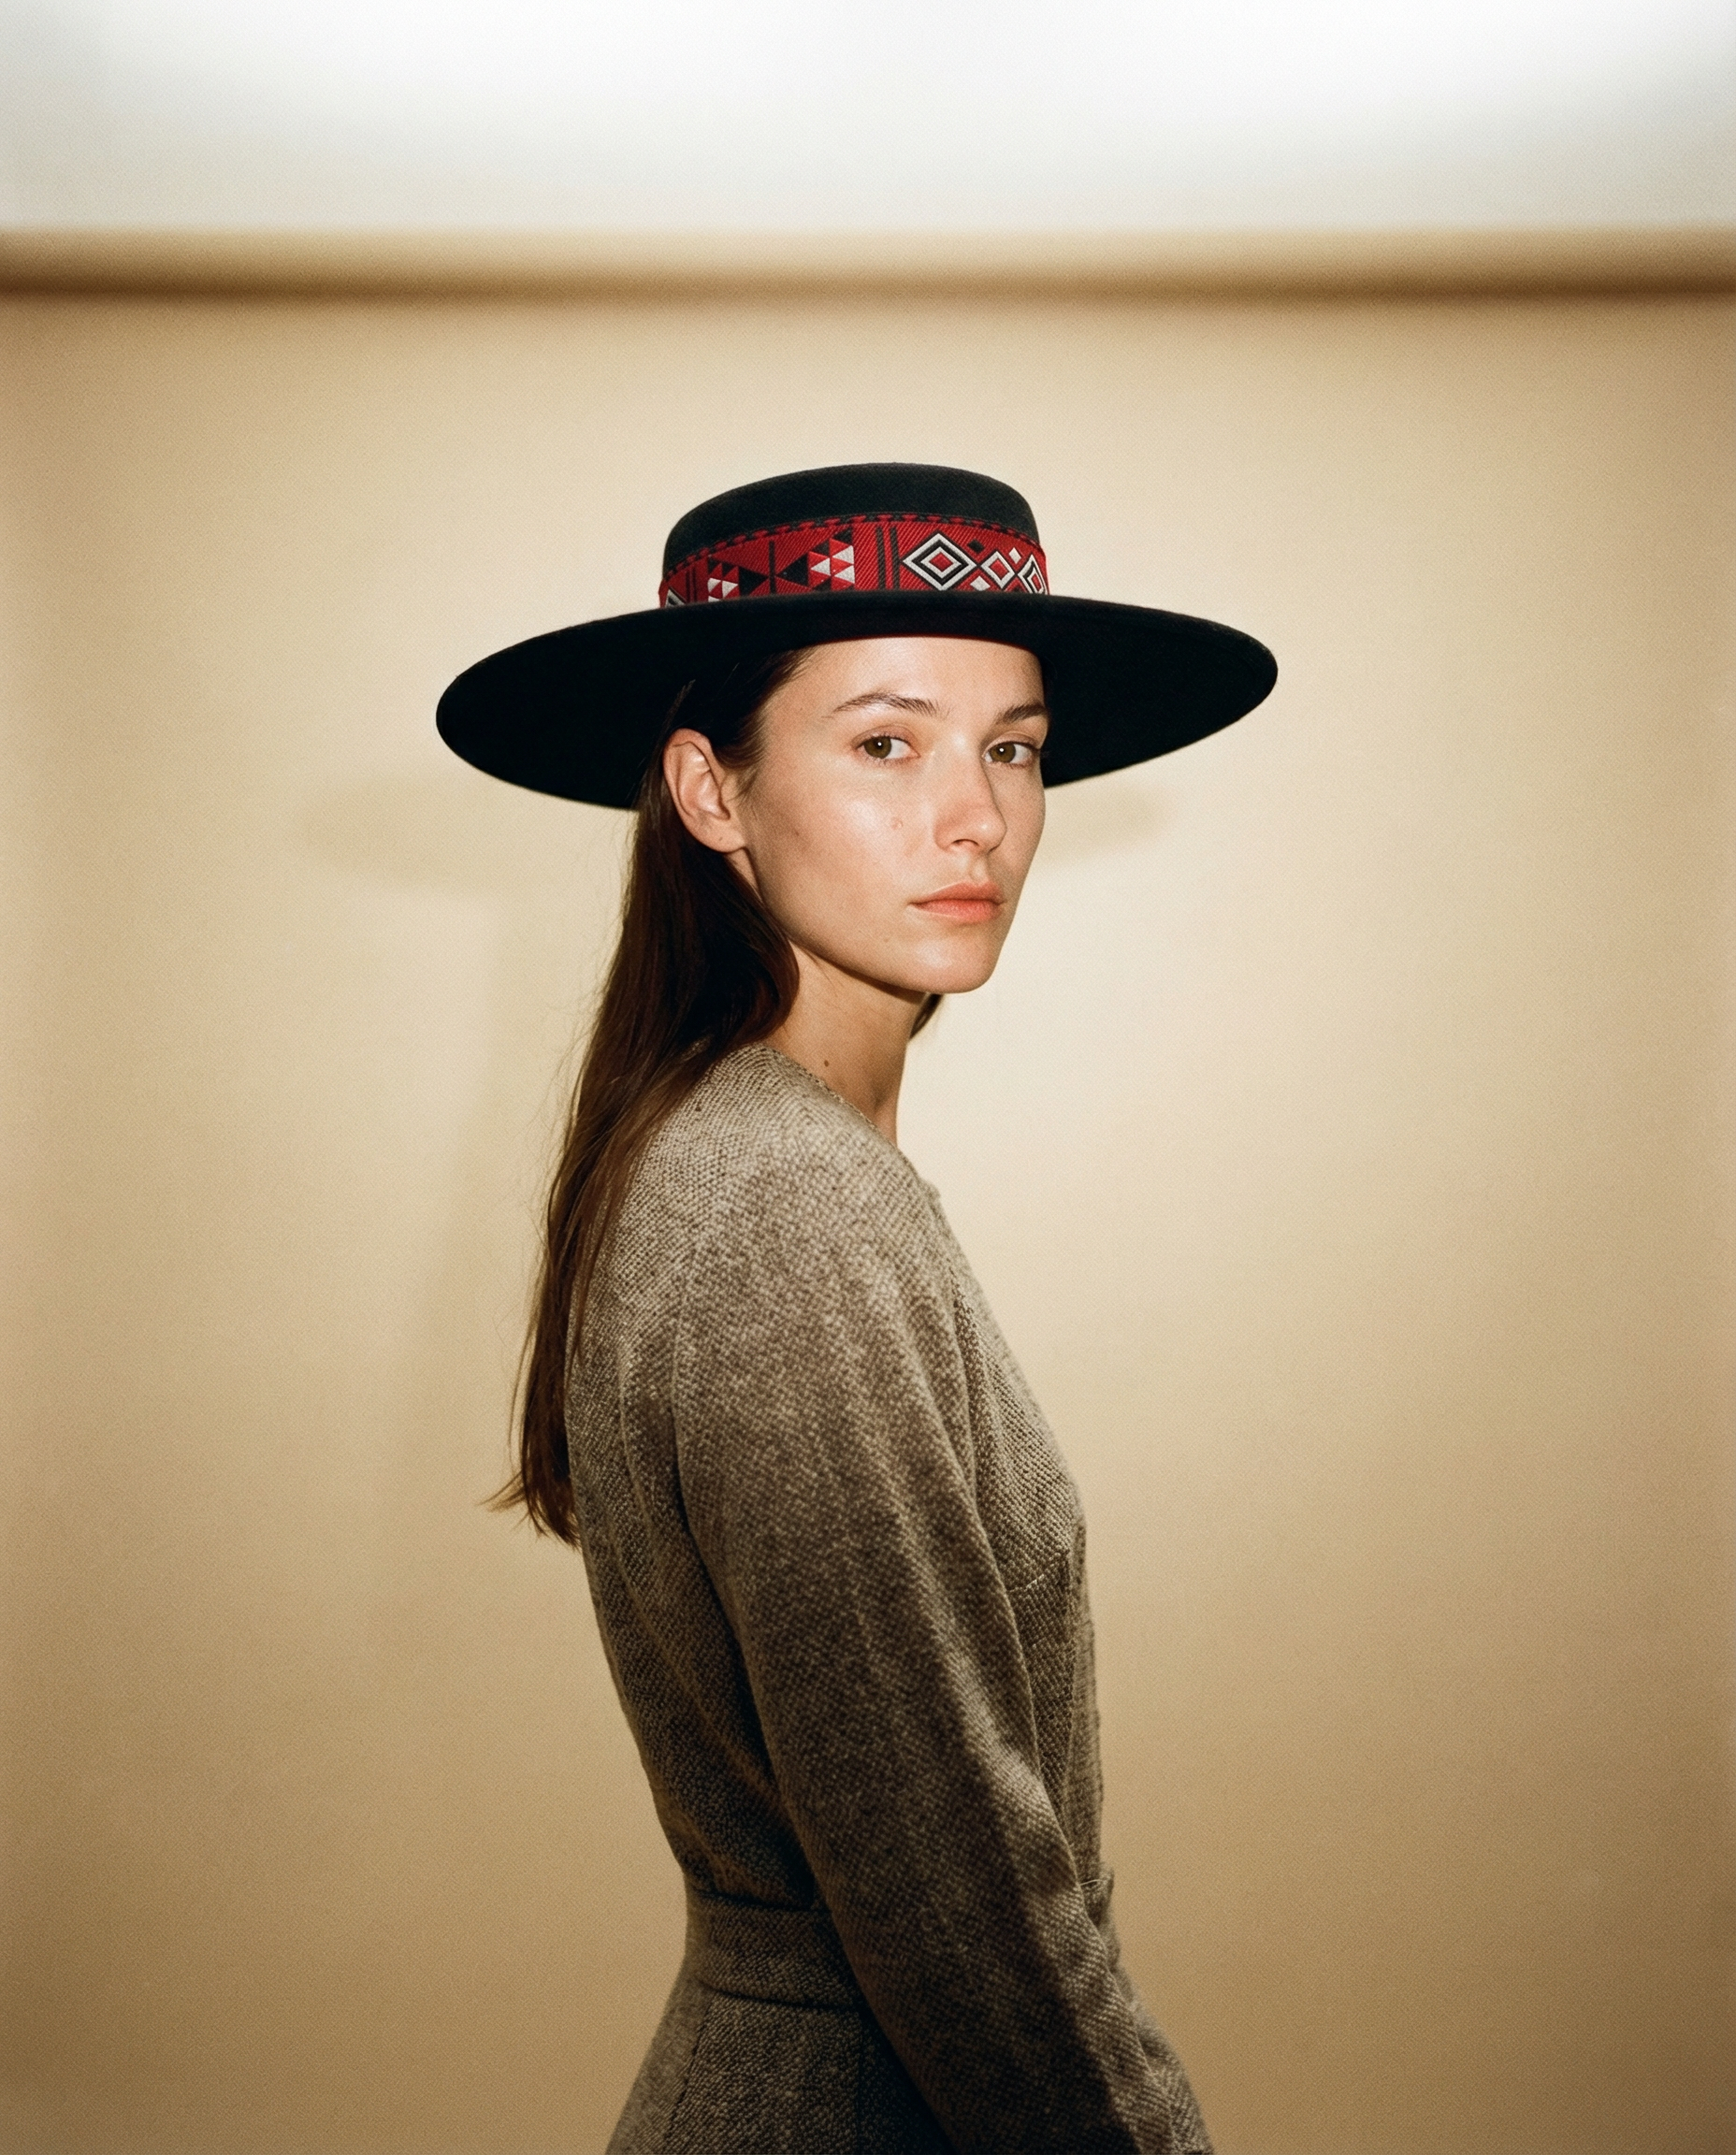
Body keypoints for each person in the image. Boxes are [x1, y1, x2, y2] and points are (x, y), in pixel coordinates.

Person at [438, 464, 1275, 2152]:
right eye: (887, 743)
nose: (976, 815)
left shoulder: (739, 1157)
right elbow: (958, 1908)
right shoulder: (785, 1208)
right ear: (712, 791)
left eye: (1013, 747)